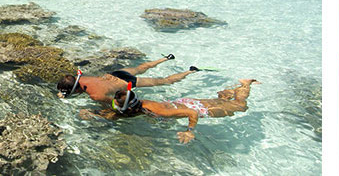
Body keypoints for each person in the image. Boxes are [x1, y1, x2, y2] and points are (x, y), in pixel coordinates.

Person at [80, 78, 258, 143]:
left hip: (194, 108)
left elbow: (192, 114)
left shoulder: (157, 111)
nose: (115, 108)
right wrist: (96, 113)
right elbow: (119, 112)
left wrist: (189, 131)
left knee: (241, 107)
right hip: (179, 103)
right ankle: (225, 94)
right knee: (222, 103)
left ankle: (245, 83)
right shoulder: (135, 105)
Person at [55, 55, 200, 105]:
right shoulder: (83, 79)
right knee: (143, 67)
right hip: (117, 74)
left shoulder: (95, 96)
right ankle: (166, 58)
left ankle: (191, 70)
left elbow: (114, 102)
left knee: (165, 81)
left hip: (126, 83)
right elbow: (80, 88)